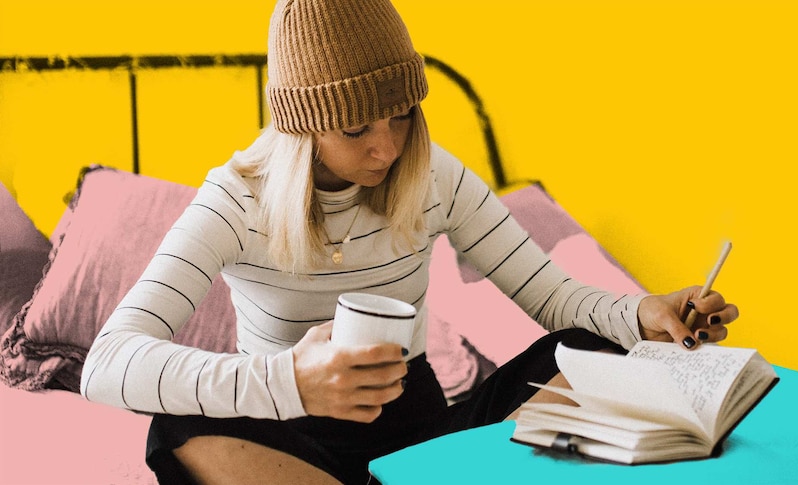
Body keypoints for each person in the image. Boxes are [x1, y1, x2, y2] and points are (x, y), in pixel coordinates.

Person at [80, 0, 738, 483]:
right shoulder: (236, 200)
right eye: (356, 127)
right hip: (290, 445)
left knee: (595, 349)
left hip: (425, 436)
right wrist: (289, 381)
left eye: (400, 115)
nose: (386, 146)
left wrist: (640, 314)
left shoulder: (432, 175)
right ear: (304, 127)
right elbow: (106, 363)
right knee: (174, 430)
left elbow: (555, 296)